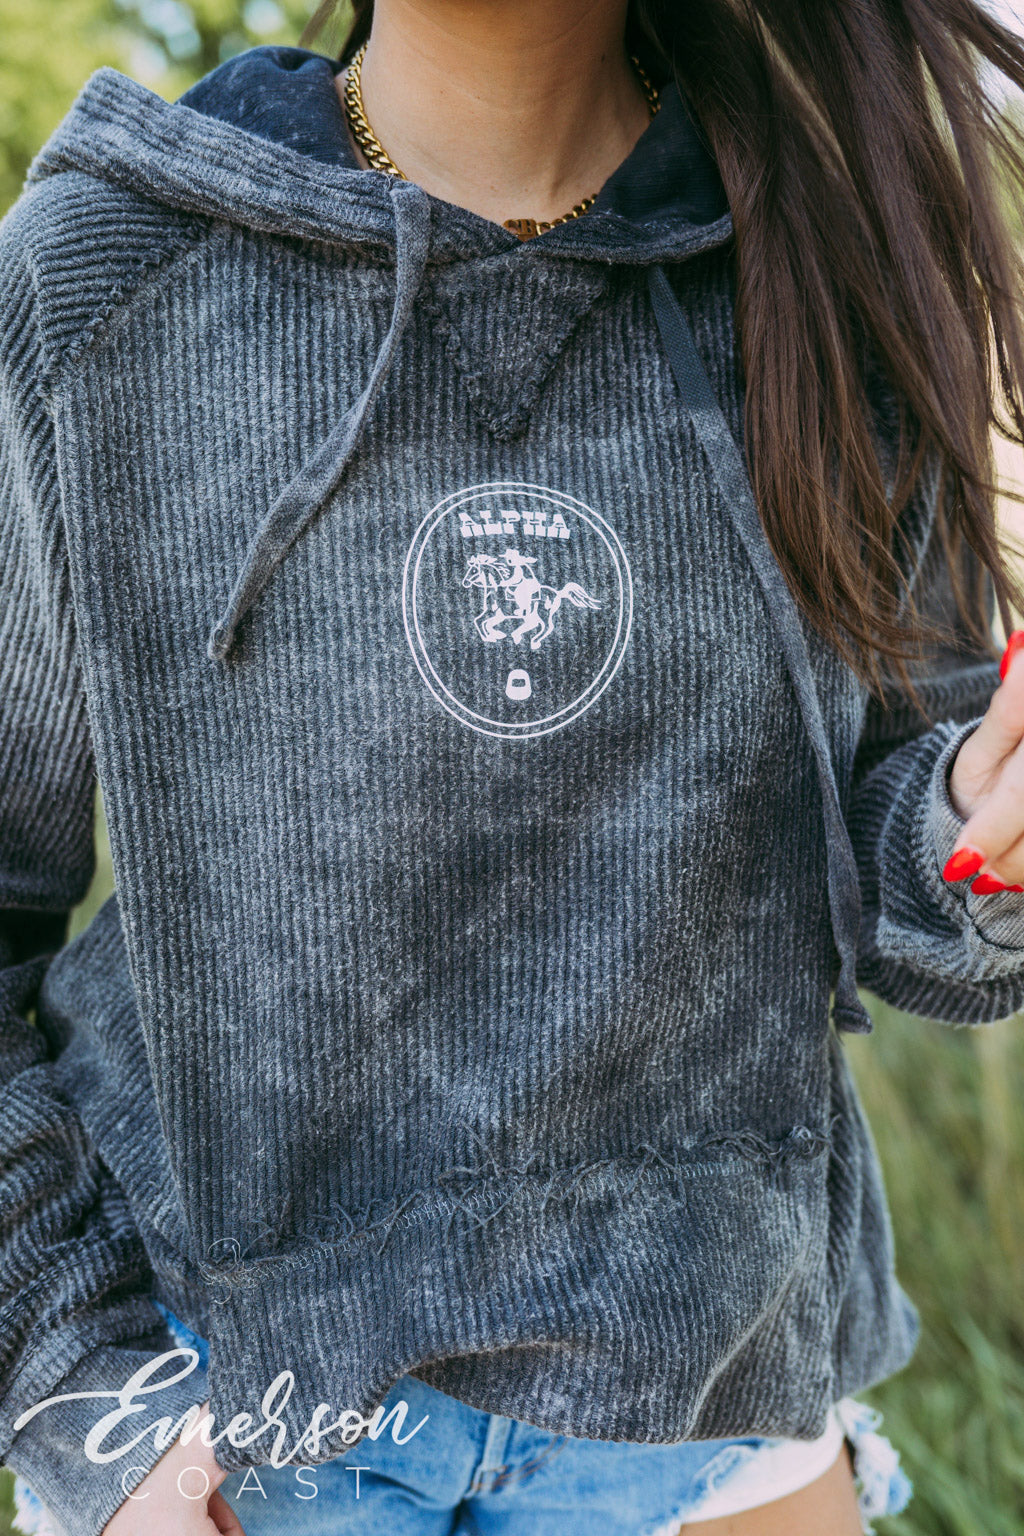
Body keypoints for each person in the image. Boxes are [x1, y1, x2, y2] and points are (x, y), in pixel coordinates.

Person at [3, 1, 1024, 1532]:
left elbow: (905, 858)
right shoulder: (99, 278)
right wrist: (88, 1397)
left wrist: (982, 835)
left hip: (708, 1407)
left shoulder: (834, 275)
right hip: (234, 1429)